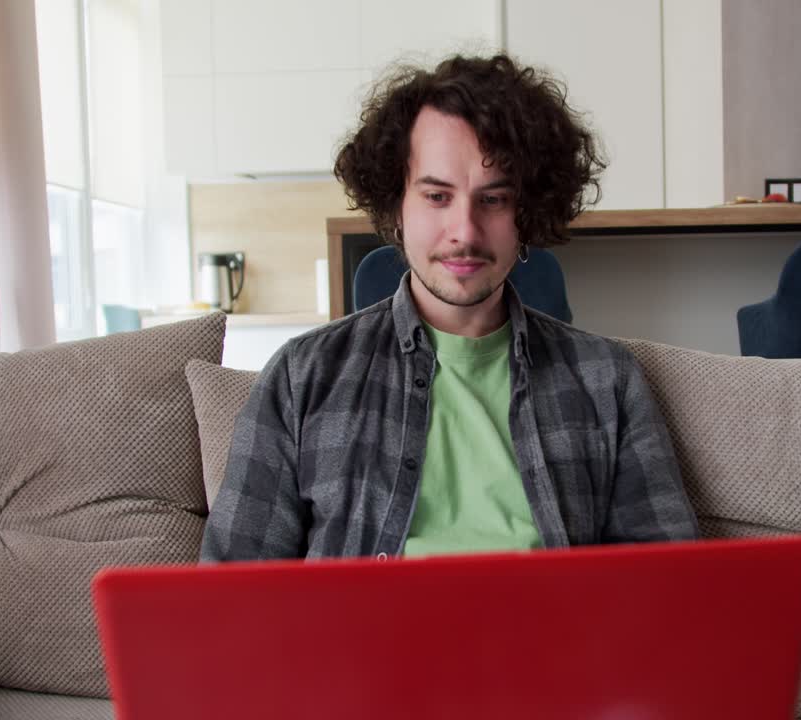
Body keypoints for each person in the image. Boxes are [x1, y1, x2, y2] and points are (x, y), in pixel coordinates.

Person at [200, 54, 697, 562]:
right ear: (397, 208)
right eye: (437, 196)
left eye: (494, 200)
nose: (465, 231)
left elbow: (671, 588)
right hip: (368, 641)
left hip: (549, 641)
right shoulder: (301, 378)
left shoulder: (606, 380)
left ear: (527, 212)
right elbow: (228, 599)